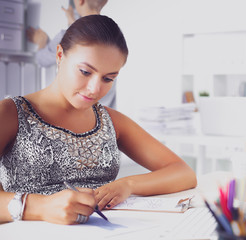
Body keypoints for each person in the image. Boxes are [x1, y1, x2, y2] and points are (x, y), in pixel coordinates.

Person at [0, 15, 197, 225]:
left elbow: (183, 173)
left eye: (108, 78)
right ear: (60, 55)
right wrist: (40, 207)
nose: (95, 89)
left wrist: (128, 185)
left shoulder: (111, 120)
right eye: (85, 72)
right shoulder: (12, 113)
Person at [26, 0, 116, 109]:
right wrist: (72, 21)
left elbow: (41, 60)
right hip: (106, 118)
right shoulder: (113, 37)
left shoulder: (65, 36)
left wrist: (41, 41)